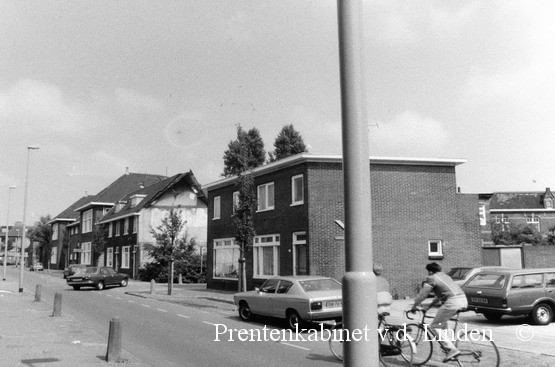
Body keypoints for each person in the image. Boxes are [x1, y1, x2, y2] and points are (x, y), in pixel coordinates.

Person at [411, 262, 468, 362]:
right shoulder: (445, 276)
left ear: (430, 271)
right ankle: (449, 345)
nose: (428, 274)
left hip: (452, 302)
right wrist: (428, 307)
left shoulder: (432, 278)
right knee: (442, 322)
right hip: (463, 300)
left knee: (435, 326)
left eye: (428, 272)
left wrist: (414, 305)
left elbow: (423, 294)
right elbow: (438, 297)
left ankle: (451, 349)